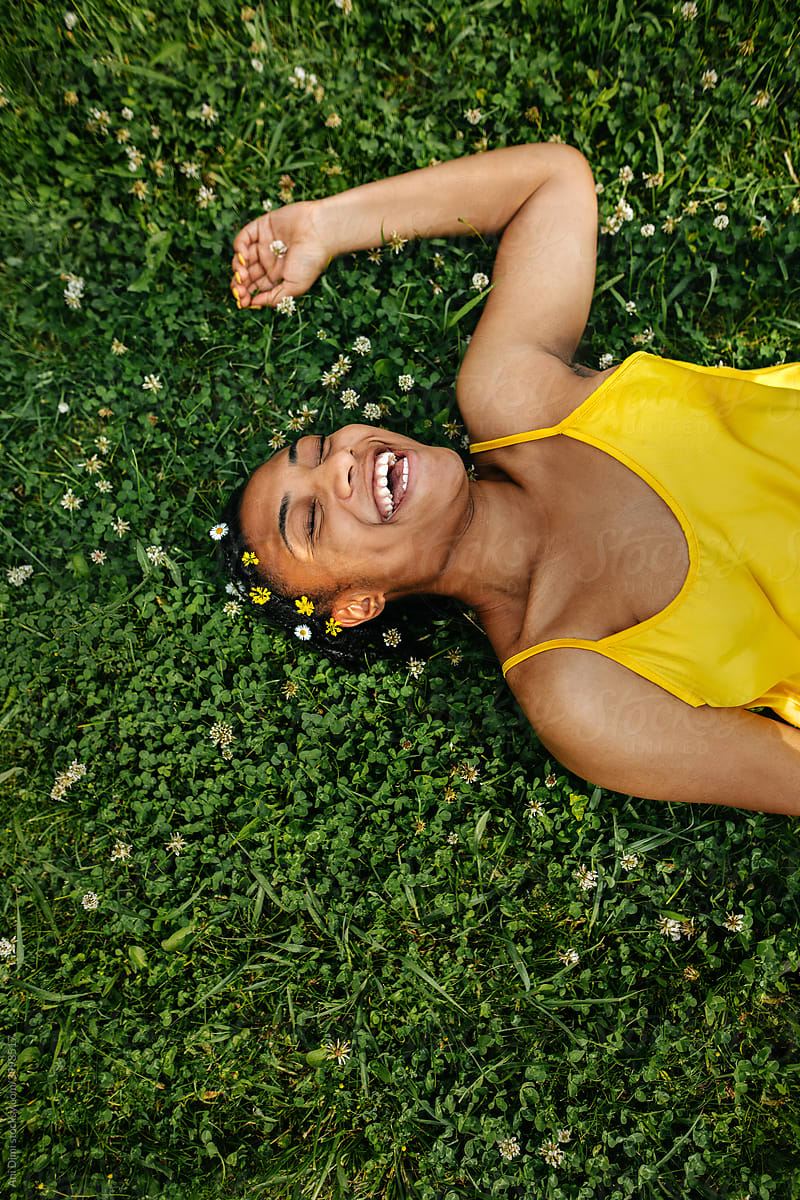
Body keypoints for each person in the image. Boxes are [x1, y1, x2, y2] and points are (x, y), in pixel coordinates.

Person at [223, 143, 800, 814]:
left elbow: (549, 183)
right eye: (313, 519)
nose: (342, 465)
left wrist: (325, 226)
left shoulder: (518, 400)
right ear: (358, 605)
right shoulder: (577, 690)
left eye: (319, 448)